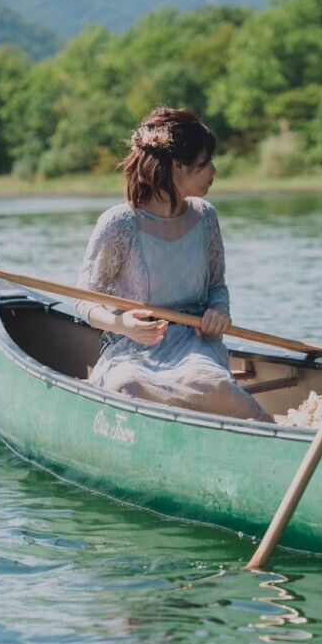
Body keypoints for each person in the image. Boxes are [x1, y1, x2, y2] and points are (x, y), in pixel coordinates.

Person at [79, 106, 271, 422]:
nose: (214, 169)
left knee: (208, 385)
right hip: (132, 348)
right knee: (128, 387)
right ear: (178, 166)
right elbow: (84, 300)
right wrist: (122, 324)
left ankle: (267, 427)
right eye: (206, 161)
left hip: (194, 343)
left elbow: (217, 287)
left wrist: (219, 311)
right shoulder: (119, 223)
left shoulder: (205, 216)